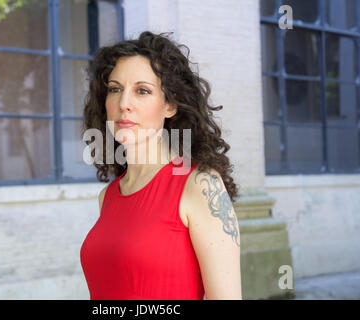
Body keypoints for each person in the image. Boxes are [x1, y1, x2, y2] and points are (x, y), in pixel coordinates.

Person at [80, 31, 242, 300]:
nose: (124, 104)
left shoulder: (200, 185)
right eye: (115, 89)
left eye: (142, 91)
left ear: (170, 105)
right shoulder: (107, 196)